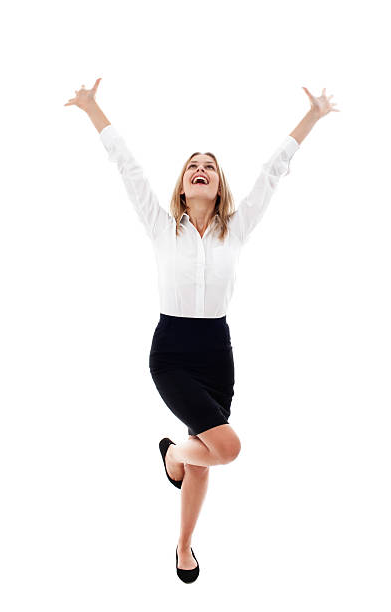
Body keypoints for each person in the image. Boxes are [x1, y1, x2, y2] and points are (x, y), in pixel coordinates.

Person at [64, 79, 339, 582]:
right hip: (171, 352)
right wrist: (91, 106)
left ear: (219, 184)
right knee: (226, 447)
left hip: (217, 352)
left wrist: (313, 118)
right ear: (182, 184)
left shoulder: (237, 226)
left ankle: (184, 543)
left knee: (205, 456)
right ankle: (172, 455)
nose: (199, 169)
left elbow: (274, 172)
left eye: (209, 166)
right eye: (192, 165)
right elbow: (127, 166)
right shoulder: (159, 224)